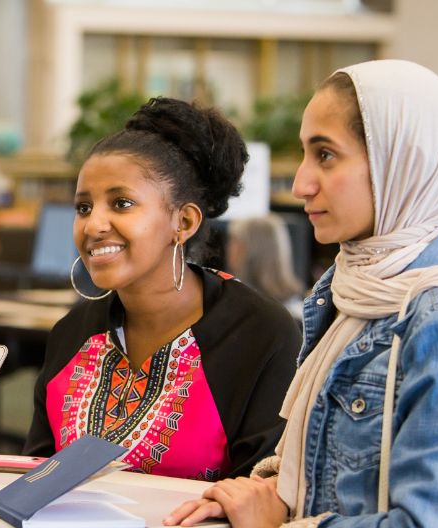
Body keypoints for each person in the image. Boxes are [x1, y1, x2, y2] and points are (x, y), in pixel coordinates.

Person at [165, 59, 438, 528]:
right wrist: (259, 498)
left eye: (325, 155)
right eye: (305, 155)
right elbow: (325, 465)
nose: (301, 183)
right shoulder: (349, 292)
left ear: (398, 162)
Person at [23, 97, 302, 481]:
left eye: (121, 204)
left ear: (183, 221)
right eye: (84, 207)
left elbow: (266, 496)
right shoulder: (71, 334)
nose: (93, 225)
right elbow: (34, 476)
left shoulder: (261, 334)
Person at [226, 214, 306, 320]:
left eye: (235, 241)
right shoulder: (297, 308)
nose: (229, 247)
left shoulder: (237, 305)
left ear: (252, 249)